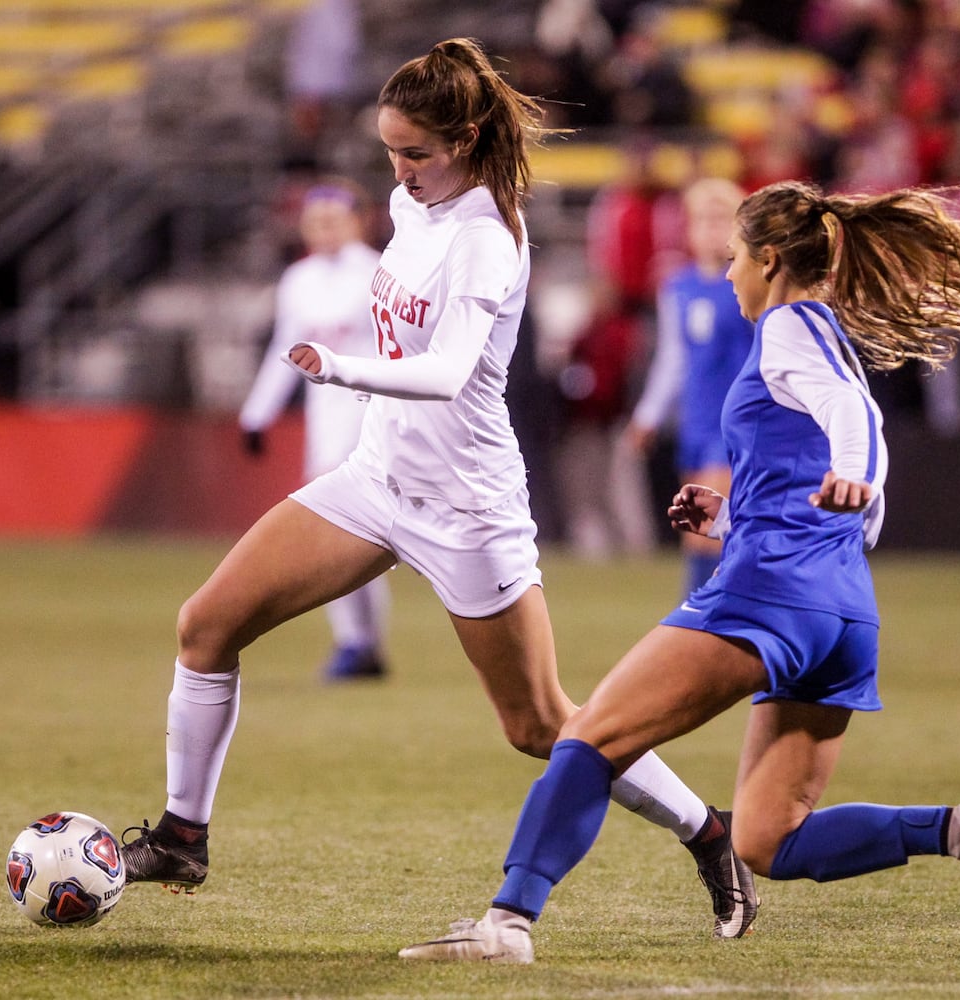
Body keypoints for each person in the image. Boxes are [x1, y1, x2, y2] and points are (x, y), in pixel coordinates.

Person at [119, 37, 756, 940]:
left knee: (541, 725)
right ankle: (184, 836)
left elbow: (452, 370)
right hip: (377, 480)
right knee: (205, 624)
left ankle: (709, 834)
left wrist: (342, 369)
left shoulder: (488, 240)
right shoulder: (409, 205)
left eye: (416, 152)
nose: (401, 170)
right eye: (390, 151)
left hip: (467, 506)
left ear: (464, 138)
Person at [399, 180, 960, 964]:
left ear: (772, 260)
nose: (726, 276)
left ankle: (507, 926)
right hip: (841, 610)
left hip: (771, 597)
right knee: (767, 839)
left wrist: (853, 475)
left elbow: (859, 428)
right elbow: (845, 466)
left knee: (587, 738)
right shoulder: (825, 338)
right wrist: (729, 521)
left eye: (735, 259)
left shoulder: (790, 324)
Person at [237, 180, 391, 680]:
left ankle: (360, 642)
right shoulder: (298, 279)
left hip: (373, 415)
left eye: (334, 218)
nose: (324, 228)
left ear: (358, 220)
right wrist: (257, 413)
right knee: (347, 534)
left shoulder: (380, 274)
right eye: (315, 219)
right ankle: (359, 643)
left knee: (355, 532)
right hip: (326, 420)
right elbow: (287, 347)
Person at [627, 177, 753, 593]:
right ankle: (705, 614)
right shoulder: (677, 287)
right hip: (696, 422)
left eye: (721, 220)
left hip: (737, 420)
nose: (710, 229)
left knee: (709, 524)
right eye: (702, 219)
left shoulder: (749, 283)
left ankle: (703, 616)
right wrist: (648, 416)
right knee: (697, 528)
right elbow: (673, 359)